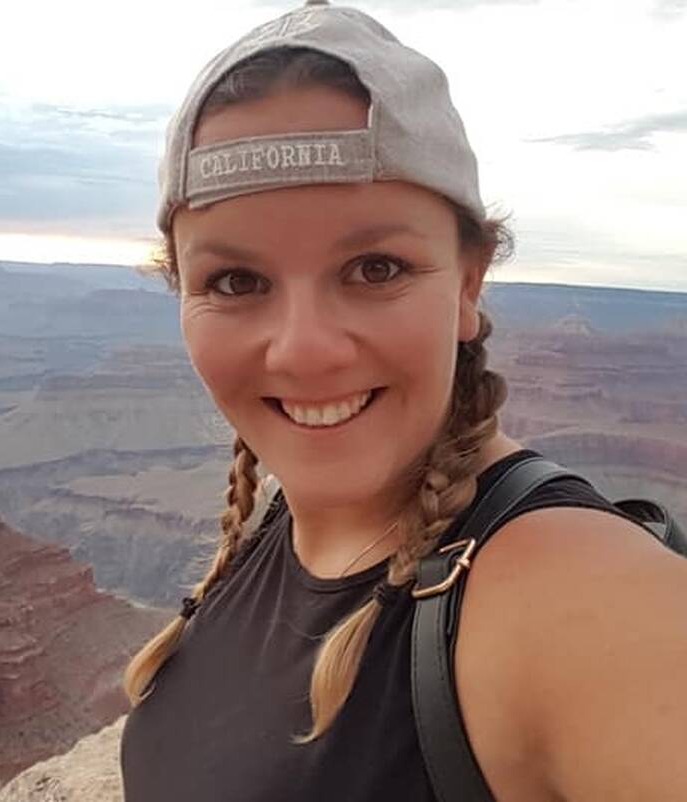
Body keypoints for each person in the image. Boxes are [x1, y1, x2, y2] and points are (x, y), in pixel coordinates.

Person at [120, 2, 687, 800]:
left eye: (375, 268)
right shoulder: (278, 529)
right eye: (236, 281)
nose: (304, 349)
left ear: (468, 282)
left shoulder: (588, 602)